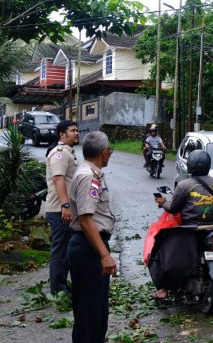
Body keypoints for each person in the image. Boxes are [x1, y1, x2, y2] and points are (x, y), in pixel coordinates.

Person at [152, 149, 213, 299]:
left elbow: (173, 209)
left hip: (189, 229)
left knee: (164, 247)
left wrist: (163, 203)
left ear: (190, 165)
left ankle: (164, 288)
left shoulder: (184, 185)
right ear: (208, 165)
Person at [67, 131, 117, 343]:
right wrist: (104, 254)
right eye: (110, 151)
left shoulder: (88, 172)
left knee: (95, 311)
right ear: (104, 152)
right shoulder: (89, 177)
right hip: (89, 248)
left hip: (89, 246)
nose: (110, 154)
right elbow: (86, 219)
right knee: (90, 314)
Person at [45, 120, 80, 297]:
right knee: (60, 249)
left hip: (65, 209)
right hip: (60, 209)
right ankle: (57, 289)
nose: (77, 133)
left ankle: (62, 286)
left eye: (77, 130)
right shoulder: (59, 154)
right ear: (62, 134)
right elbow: (59, 180)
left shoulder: (68, 152)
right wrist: (66, 205)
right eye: (73, 130)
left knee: (66, 248)